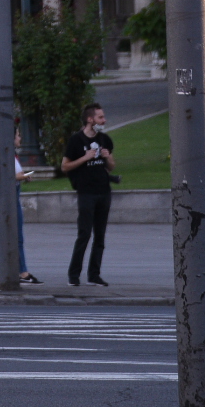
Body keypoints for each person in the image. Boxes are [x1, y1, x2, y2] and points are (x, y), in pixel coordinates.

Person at [62, 103, 115, 287]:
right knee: (84, 234)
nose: (104, 120)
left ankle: (94, 275)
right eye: (100, 117)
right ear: (90, 119)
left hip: (104, 191)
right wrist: (84, 158)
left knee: (100, 236)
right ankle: (74, 275)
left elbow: (111, 167)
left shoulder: (105, 139)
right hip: (86, 193)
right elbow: (65, 166)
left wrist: (108, 158)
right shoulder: (76, 141)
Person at [0, 129, 41, 284]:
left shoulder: (12, 156)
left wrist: (23, 177)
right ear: (10, 139)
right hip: (1, 199)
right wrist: (18, 176)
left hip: (13, 198)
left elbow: (13, 174)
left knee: (17, 236)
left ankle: (22, 271)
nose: (20, 138)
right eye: (18, 135)